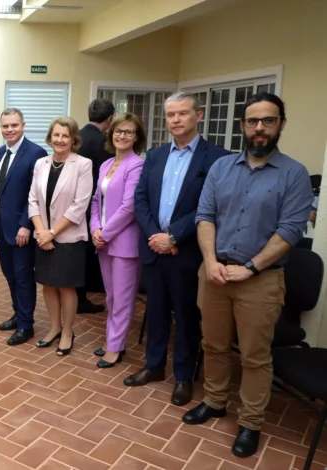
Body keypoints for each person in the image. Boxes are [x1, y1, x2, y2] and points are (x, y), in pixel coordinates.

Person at [186, 92, 312, 458]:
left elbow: (289, 231)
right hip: (215, 273)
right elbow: (205, 216)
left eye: (268, 121)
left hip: (261, 280)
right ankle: (214, 401)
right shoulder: (222, 168)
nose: (260, 128)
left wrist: (251, 267)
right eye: (253, 121)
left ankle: (251, 423)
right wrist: (210, 261)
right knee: (213, 345)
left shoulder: (294, 174)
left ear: (280, 125)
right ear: (242, 126)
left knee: (255, 357)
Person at [126, 92, 231, 406]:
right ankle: (154, 366)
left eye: (182, 114)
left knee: (186, 317)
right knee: (155, 311)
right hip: (155, 248)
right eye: (170, 114)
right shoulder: (155, 156)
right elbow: (140, 199)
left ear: (198, 116)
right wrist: (156, 236)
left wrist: (173, 237)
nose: (175, 120)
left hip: (186, 252)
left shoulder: (217, 159)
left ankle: (183, 377)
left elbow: (209, 206)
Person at [28, 117, 93, 355]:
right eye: (56, 135)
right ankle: (54, 327)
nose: (60, 140)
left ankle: (68, 331)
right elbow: (33, 199)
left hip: (68, 236)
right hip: (43, 235)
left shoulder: (83, 165)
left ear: (74, 139)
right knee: (47, 284)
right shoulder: (41, 164)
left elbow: (80, 205)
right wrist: (40, 231)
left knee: (66, 287)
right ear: (49, 137)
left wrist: (52, 233)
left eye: (65, 135)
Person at [90, 113, 145, 368]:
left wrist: (105, 233)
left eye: (128, 132)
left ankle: (115, 347)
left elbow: (129, 206)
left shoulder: (137, 165)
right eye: (118, 131)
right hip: (103, 242)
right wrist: (95, 229)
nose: (122, 136)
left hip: (124, 243)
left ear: (137, 137)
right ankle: (116, 341)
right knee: (110, 296)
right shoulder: (105, 164)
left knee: (122, 298)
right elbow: (95, 202)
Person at [0, 109, 48, 345]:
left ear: (23, 126)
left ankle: (26, 325)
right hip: (0, 226)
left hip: (21, 229)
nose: (9, 130)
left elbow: (36, 194)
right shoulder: (1, 151)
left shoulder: (36, 153)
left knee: (23, 277)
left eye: (14, 125)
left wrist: (26, 225)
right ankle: (18, 314)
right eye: (5, 126)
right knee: (9, 274)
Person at [78, 99, 116, 314]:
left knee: (81, 250)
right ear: (109, 119)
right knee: (90, 250)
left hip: (75, 203)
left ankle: (78, 294)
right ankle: (84, 295)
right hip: (96, 204)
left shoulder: (77, 137)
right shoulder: (106, 143)